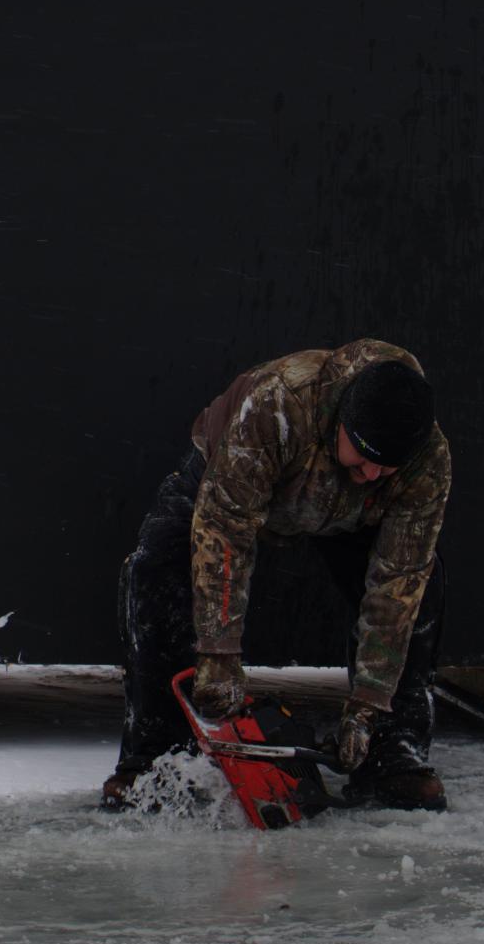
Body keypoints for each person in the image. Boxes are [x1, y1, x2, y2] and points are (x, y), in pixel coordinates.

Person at [105, 340, 452, 811]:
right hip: (229, 483)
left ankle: (392, 756)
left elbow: (398, 583)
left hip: (352, 515)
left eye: (387, 466)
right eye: (365, 454)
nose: (372, 473)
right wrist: (218, 656)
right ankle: (155, 762)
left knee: (423, 588)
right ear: (341, 420)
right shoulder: (278, 404)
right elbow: (225, 530)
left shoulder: (428, 460)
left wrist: (369, 706)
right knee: (157, 569)